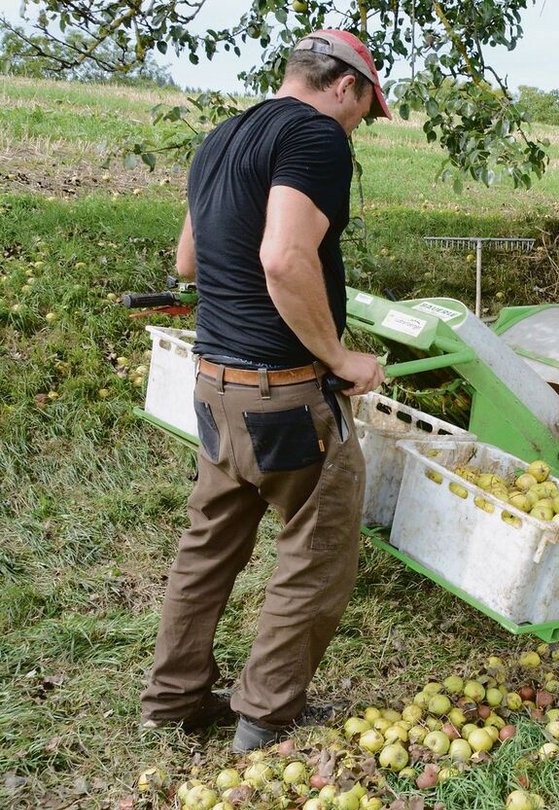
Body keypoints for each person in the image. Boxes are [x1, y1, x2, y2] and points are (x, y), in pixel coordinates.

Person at [139, 29, 390, 753]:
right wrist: (340, 355)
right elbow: (283, 257)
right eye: (365, 110)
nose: (358, 127)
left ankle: (172, 700)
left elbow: (188, 260)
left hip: (216, 385)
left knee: (208, 545)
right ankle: (265, 718)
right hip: (285, 396)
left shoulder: (223, 136)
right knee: (315, 552)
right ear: (347, 85)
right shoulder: (315, 136)